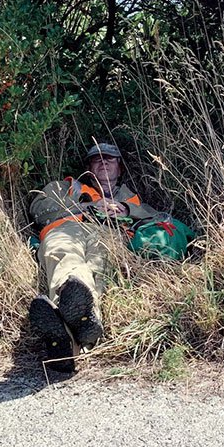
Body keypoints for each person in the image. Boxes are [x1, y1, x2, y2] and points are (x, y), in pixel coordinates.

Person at [28, 141, 177, 373]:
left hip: (108, 236)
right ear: (88, 167)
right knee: (65, 258)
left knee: (98, 269)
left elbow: (160, 219)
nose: (103, 162)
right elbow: (39, 208)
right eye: (97, 159)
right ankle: (81, 328)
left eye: (109, 158)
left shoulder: (131, 199)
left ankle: (66, 347)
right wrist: (89, 205)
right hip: (66, 229)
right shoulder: (67, 186)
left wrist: (126, 210)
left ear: (120, 167)